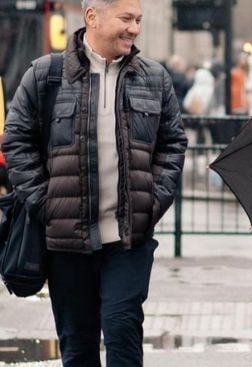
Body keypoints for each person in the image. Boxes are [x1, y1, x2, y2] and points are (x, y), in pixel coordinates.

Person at [2, 0, 188, 366]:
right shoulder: (45, 75)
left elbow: (172, 143)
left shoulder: (154, 77)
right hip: (66, 243)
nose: (134, 28)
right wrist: (46, 203)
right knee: (78, 347)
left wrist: (154, 200)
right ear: (93, 17)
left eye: (138, 20)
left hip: (129, 240)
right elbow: (16, 140)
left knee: (122, 334)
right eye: (126, 18)